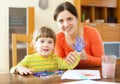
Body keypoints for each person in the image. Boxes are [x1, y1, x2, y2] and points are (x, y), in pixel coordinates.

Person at [10, 26, 82, 75]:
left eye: (50, 42)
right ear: (35, 44)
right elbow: (13, 69)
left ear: (54, 45)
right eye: (42, 41)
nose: (46, 45)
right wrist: (19, 69)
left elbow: (68, 66)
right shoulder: (29, 59)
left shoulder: (56, 59)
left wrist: (78, 53)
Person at [53, 2, 105, 68]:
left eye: (69, 19)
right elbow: (58, 65)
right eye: (61, 21)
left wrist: (86, 58)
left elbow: (102, 60)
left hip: (92, 75)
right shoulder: (57, 38)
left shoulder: (92, 32)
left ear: (77, 19)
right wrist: (65, 61)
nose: (66, 24)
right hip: (69, 76)